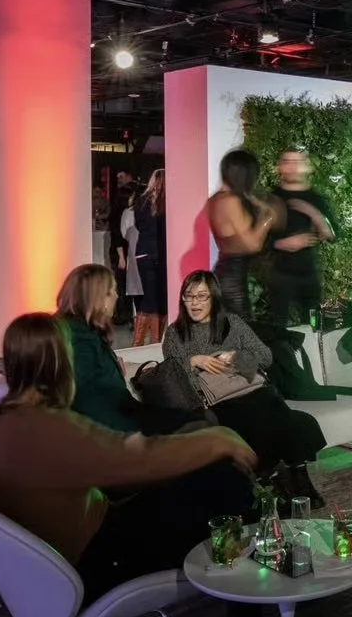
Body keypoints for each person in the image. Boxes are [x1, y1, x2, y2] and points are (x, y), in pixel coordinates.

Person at [0, 312, 270, 617]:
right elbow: (139, 459)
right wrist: (219, 440)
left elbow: (123, 458)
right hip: (95, 566)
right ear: (59, 362)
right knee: (223, 480)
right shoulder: (51, 428)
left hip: (75, 551)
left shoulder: (5, 419)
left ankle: (249, 603)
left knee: (209, 479)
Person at [161, 270, 325, 498]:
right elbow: (171, 374)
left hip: (256, 390)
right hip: (222, 402)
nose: (194, 302)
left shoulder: (233, 324)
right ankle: (285, 482)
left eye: (202, 296)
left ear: (214, 297)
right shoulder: (175, 334)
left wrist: (234, 357)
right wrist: (194, 360)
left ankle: (294, 478)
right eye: (189, 296)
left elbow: (265, 356)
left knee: (286, 419)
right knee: (258, 422)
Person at [54, 263, 189, 437]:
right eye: (113, 291)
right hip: (114, 429)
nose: (117, 296)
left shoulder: (84, 331)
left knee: (198, 421)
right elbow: (88, 400)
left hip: (121, 417)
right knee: (198, 426)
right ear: (99, 298)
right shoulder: (79, 338)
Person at [205, 149, 280, 319]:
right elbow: (253, 244)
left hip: (226, 273)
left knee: (235, 336)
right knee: (247, 337)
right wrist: (267, 219)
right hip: (234, 279)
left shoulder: (215, 199)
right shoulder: (231, 201)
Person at [267, 150, 335, 327]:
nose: (293, 167)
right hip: (279, 274)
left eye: (298, 162)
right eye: (288, 161)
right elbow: (256, 241)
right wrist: (284, 244)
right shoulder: (271, 199)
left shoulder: (316, 199)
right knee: (277, 326)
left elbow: (332, 236)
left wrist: (313, 213)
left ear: (307, 167)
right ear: (280, 166)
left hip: (308, 274)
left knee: (314, 325)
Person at [129, 170, 166, 345]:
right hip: (160, 253)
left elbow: (137, 225)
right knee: (159, 300)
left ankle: (140, 344)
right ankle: (153, 343)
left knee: (149, 299)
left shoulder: (141, 201)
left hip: (142, 252)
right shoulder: (167, 201)